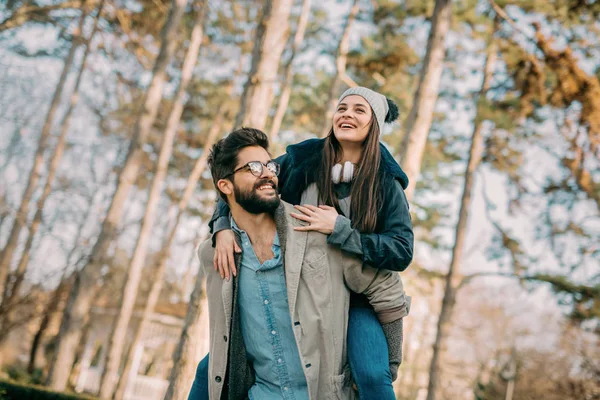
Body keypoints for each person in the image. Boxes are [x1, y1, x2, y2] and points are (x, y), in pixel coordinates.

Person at [203, 87, 414, 399]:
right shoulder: (303, 158)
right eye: (342, 108)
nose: (347, 114)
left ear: (375, 126)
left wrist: (342, 230)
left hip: (356, 299)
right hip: (299, 289)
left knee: (372, 375)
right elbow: (243, 182)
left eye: (359, 110)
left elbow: (401, 250)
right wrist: (221, 227)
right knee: (213, 368)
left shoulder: (386, 182)